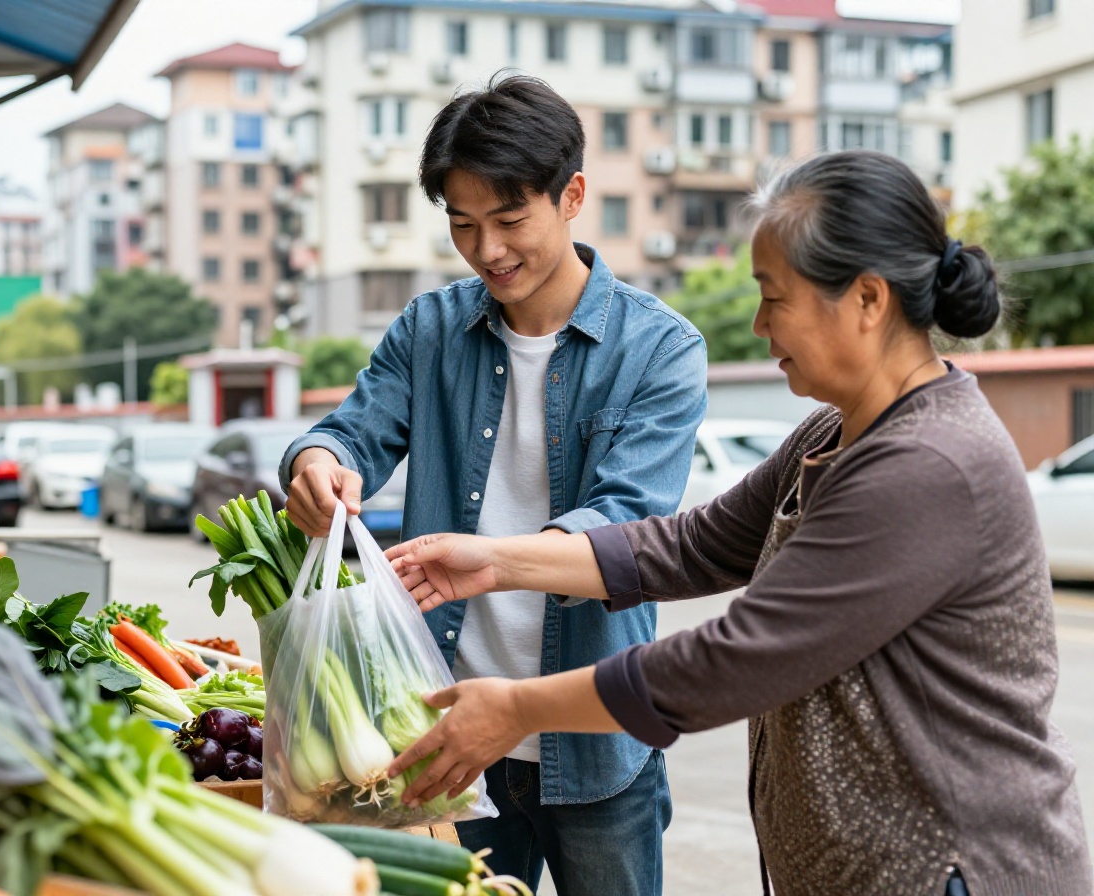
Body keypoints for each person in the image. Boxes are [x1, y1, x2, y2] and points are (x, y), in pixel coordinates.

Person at [384, 150, 1092, 896]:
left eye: (774, 298)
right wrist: (499, 561)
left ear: (868, 300)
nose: (757, 325)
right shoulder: (834, 434)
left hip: (951, 867)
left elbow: (737, 659)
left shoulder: (929, 464)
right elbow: (692, 546)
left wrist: (516, 707)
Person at [279, 75, 707, 894]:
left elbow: (626, 525)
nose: (488, 251)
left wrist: (495, 557)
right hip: (441, 730)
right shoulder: (428, 330)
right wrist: (316, 463)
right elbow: (348, 432)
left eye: (511, 220)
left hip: (593, 741)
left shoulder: (660, 350)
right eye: (464, 225)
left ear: (572, 194)